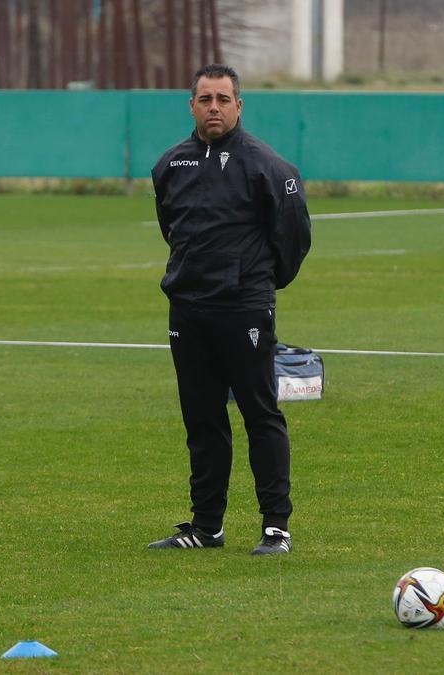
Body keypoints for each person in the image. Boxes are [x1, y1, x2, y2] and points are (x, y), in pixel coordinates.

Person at [147, 64, 312, 556]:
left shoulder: (268, 166)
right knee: (201, 418)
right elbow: (171, 229)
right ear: (191, 105)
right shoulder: (170, 164)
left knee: (260, 414)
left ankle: (275, 527)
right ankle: (206, 526)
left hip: (244, 310)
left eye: (223, 98)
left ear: (239, 105)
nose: (214, 107)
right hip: (188, 309)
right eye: (205, 99)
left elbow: (294, 237)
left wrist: (257, 283)